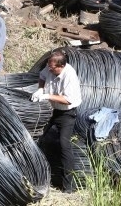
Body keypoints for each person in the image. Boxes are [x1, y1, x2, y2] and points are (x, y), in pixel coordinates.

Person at [31, 49, 82, 193]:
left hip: (66, 113)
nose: (49, 69)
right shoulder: (49, 68)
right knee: (39, 137)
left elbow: (67, 100)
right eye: (49, 66)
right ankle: (38, 174)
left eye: (52, 67)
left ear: (61, 66)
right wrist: (40, 89)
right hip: (51, 110)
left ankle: (68, 187)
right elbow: (42, 76)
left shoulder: (69, 76)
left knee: (64, 145)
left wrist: (47, 96)